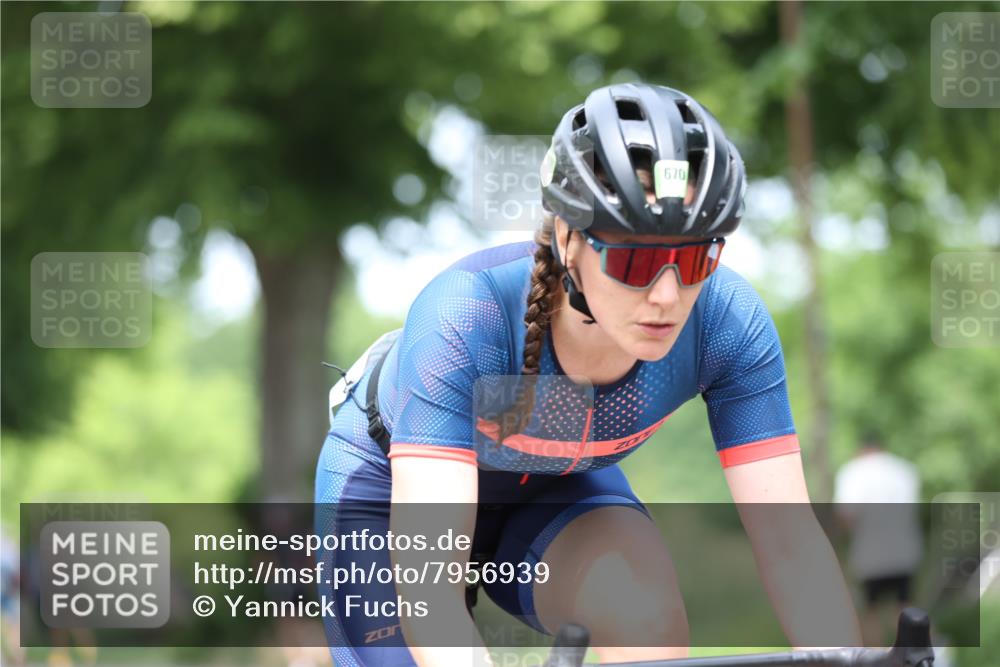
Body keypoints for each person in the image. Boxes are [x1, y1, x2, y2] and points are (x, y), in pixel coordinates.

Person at [315, 82, 862, 667]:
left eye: (697, 257)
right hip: (387, 490)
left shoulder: (728, 323)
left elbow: (789, 543)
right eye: (636, 260)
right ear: (569, 239)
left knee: (644, 614)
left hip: (550, 491)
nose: (667, 297)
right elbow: (431, 591)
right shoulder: (463, 315)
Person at [833, 435, 922, 647]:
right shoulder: (905, 470)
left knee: (870, 612)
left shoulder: (853, 472)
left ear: (862, 450)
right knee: (905, 607)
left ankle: (875, 658)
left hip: (869, 554)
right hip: (905, 551)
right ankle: (929, 655)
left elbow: (847, 516)